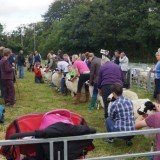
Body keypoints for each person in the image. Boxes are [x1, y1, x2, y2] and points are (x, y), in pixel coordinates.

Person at [98, 54, 123, 118]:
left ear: (103, 62)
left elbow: (99, 80)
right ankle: (117, 116)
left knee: (107, 103)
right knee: (118, 102)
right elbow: (122, 78)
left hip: (106, 86)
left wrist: (99, 90)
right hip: (118, 86)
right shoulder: (117, 66)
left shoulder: (102, 67)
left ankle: (107, 118)